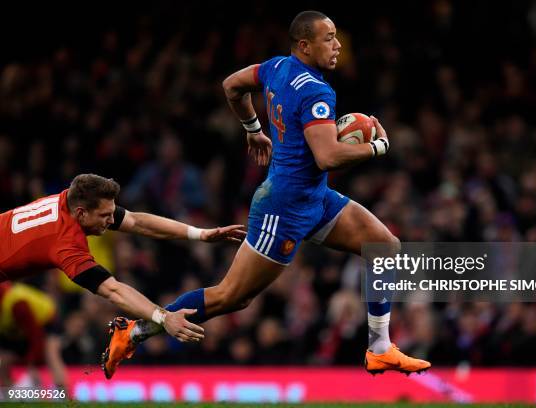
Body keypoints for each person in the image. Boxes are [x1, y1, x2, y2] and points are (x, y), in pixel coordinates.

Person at [103, 10, 430, 379]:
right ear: (304, 46)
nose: (338, 46)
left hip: (313, 198)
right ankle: (134, 331)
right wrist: (379, 148)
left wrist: (252, 128)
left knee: (384, 246)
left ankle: (380, 347)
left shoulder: (276, 67)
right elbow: (328, 156)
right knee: (232, 296)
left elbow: (232, 85)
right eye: (329, 38)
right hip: (284, 207)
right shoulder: (316, 90)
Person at [0, 173, 245, 354]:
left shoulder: (71, 200)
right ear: (82, 214)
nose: (111, 221)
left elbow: (137, 222)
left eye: (112, 213)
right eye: (105, 216)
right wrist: (163, 317)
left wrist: (200, 234)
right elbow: (114, 290)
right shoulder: (66, 244)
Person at [0, 282, 66, 390]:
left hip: (47, 320)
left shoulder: (17, 304)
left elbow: (35, 335)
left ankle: (64, 396)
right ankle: (10, 396)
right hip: (20, 329)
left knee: (51, 354)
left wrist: (32, 363)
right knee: (3, 361)